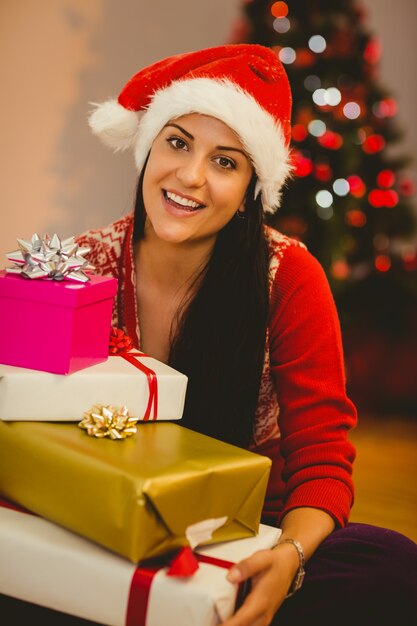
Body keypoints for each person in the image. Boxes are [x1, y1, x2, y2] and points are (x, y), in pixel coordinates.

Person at [3, 44, 416, 626]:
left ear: (252, 184)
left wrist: (287, 556)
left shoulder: (287, 276)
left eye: (225, 162)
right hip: (106, 520)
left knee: (392, 566)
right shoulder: (81, 268)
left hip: (245, 533)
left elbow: (322, 461)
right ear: (147, 149)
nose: (190, 177)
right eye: (177, 143)